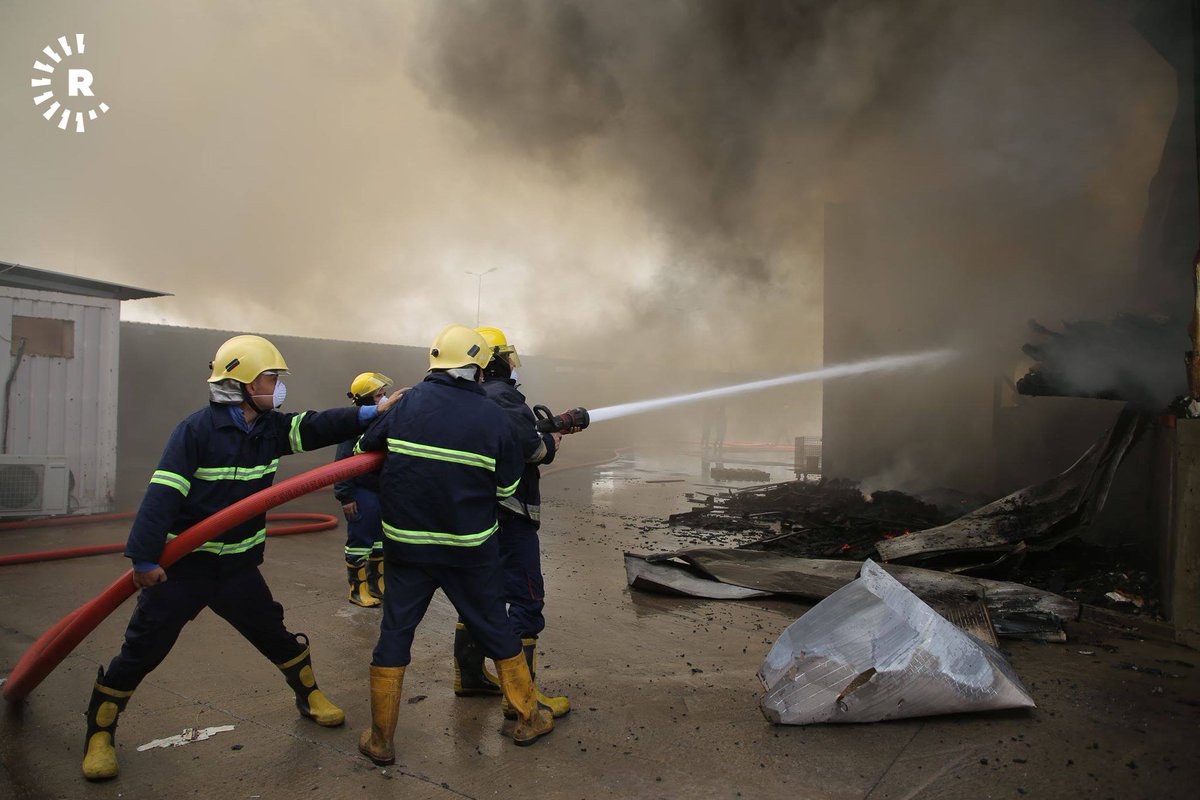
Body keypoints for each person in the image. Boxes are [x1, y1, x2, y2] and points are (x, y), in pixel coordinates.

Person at [81, 335, 400, 781]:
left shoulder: (270, 430)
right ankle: (100, 731)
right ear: (245, 384)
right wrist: (144, 558)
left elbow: (317, 426)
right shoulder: (196, 431)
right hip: (186, 568)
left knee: (275, 635)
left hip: (237, 569)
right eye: (271, 378)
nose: (278, 385)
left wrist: (372, 413)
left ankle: (308, 696)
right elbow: (162, 495)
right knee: (141, 649)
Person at [355, 324, 555, 766]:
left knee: (395, 635)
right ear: (479, 368)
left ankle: (382, 738)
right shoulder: (494, 418)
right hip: (468, 551)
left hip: (407, 549)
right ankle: (527, 716)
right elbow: (507, 487)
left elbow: (364, 453)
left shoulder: (405, 406)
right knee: (494, 627)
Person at [452, 326, 569, 719]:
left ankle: (469, 678)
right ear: (496, 360)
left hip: (473, 519)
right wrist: (552, 441)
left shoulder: (462, 398)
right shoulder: (504, 398)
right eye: (508, 357)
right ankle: (521, 698)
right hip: (511, 518)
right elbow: (533, 450)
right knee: (524, 599)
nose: (513, 366)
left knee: (478, 598)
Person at [334, 372, 395, 608]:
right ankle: (356, 590)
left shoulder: (382, 423)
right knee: (360, 541)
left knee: (379, 541)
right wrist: (345, 496)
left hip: (380, 492)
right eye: (378, 395)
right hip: (362, 493)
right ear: (364, 401)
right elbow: (341, 464)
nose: (383, 398)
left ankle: (376, 585)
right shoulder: (354, 426)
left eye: (383, 394)